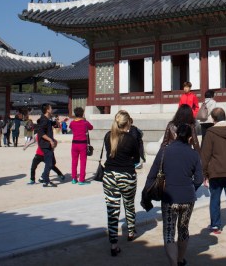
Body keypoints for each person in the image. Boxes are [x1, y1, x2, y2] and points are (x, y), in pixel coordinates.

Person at [144, 122, 203, 265]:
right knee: (183, 229)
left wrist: (146, 194)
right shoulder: (194, 154)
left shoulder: (165, 151)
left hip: (169, 196)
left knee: (169, 232)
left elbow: (152, 175)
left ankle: (173, 263)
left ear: (175, 135)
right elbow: (199, 179)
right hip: (187, 197)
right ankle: (181, 259)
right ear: (190, 138)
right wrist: (191, 187)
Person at [200, 107, 226, 242]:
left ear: (213, 119)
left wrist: (204, 173)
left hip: (215, 171)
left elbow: (205, 155)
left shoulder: (210, 133)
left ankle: (216, 225)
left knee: (215, 199)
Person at [103, 110, 140, 257]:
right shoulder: (131, 139)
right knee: (129, 204)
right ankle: (131, 231)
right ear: (128, 123)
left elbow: (109, 153)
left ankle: (113, 243)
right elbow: (136, 158)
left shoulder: (108, 136)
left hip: (109, 176)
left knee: (112, 210)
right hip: (127, 175)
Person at [69, 107, 94, 185]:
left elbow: (70, 127)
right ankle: (81, 179)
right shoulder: (85, 122)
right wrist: (85, 120)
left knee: (74, 161)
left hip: (74, 143)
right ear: (82, 113)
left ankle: (74, 178)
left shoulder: (72, 123)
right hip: (83, 144)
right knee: (83, 161)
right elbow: (91, 127)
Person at [36, 103, 58, 188]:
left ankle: (43, 177)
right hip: (45, 145)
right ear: (47, 110)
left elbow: (53, 124)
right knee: (49, 163)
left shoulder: (47, 120)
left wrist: (55, 122)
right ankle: (46, 180)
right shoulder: (44, 120)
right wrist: (51, 140)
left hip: (48, 144)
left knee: (52, 162)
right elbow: (41, 133)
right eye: (51, 108)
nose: (52, 109)